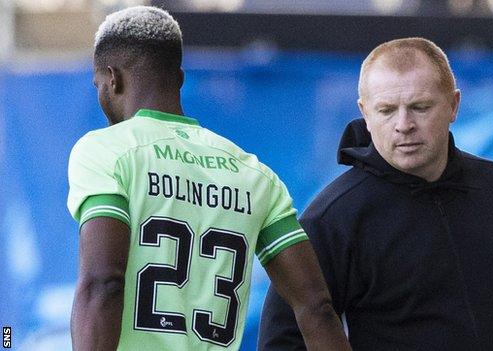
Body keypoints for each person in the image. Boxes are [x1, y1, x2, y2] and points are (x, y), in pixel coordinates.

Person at [258, 37, 493, 350]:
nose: (404, 124)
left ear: (453, 105)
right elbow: (285, 338)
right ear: (365, 113)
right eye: (387, 110)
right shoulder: (334, 217)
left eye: (420, 107)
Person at [67, 6, 351, 351]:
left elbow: (104, 284)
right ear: (179, 79)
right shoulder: (254, 174)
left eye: (99, 85)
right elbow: (317, 308)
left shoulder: (106, 150)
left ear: (113, 79)